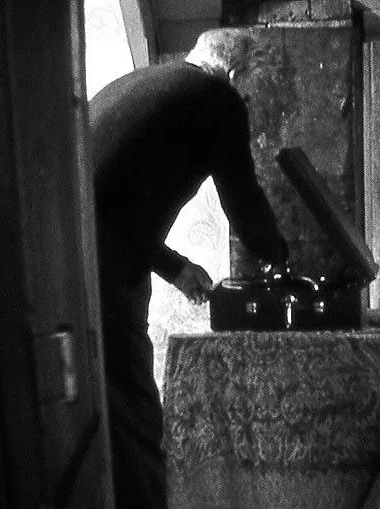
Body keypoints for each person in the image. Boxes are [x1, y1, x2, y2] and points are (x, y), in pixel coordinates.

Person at [89, 28, 289, 509]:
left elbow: (113, 205)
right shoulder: (218, 98)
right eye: (253, 94)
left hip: (74, 256)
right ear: (236, 73)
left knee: (106, 411)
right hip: (105, 268)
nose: (251, 107)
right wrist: (282, 255)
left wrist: (175, 267)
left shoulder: (148, 80)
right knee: (135, 411)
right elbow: (245, 204)